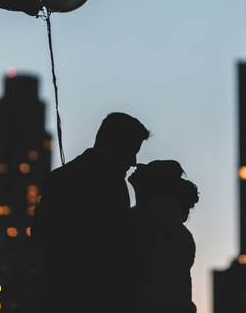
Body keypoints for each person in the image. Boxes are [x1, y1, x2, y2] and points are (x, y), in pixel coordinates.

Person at [31, 112, 150, 313]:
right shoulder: (113, 184)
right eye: (132, 150)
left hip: (58, 296)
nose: (133, 161)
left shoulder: (60, 177)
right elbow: (120, 247)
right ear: (115, 143)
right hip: (97, 299)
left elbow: (38, 234)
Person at [128, 160, 199, 313]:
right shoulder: (158, 225)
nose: (139, 165)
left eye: (150, 168)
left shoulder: (157, 228)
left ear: (157, 186)